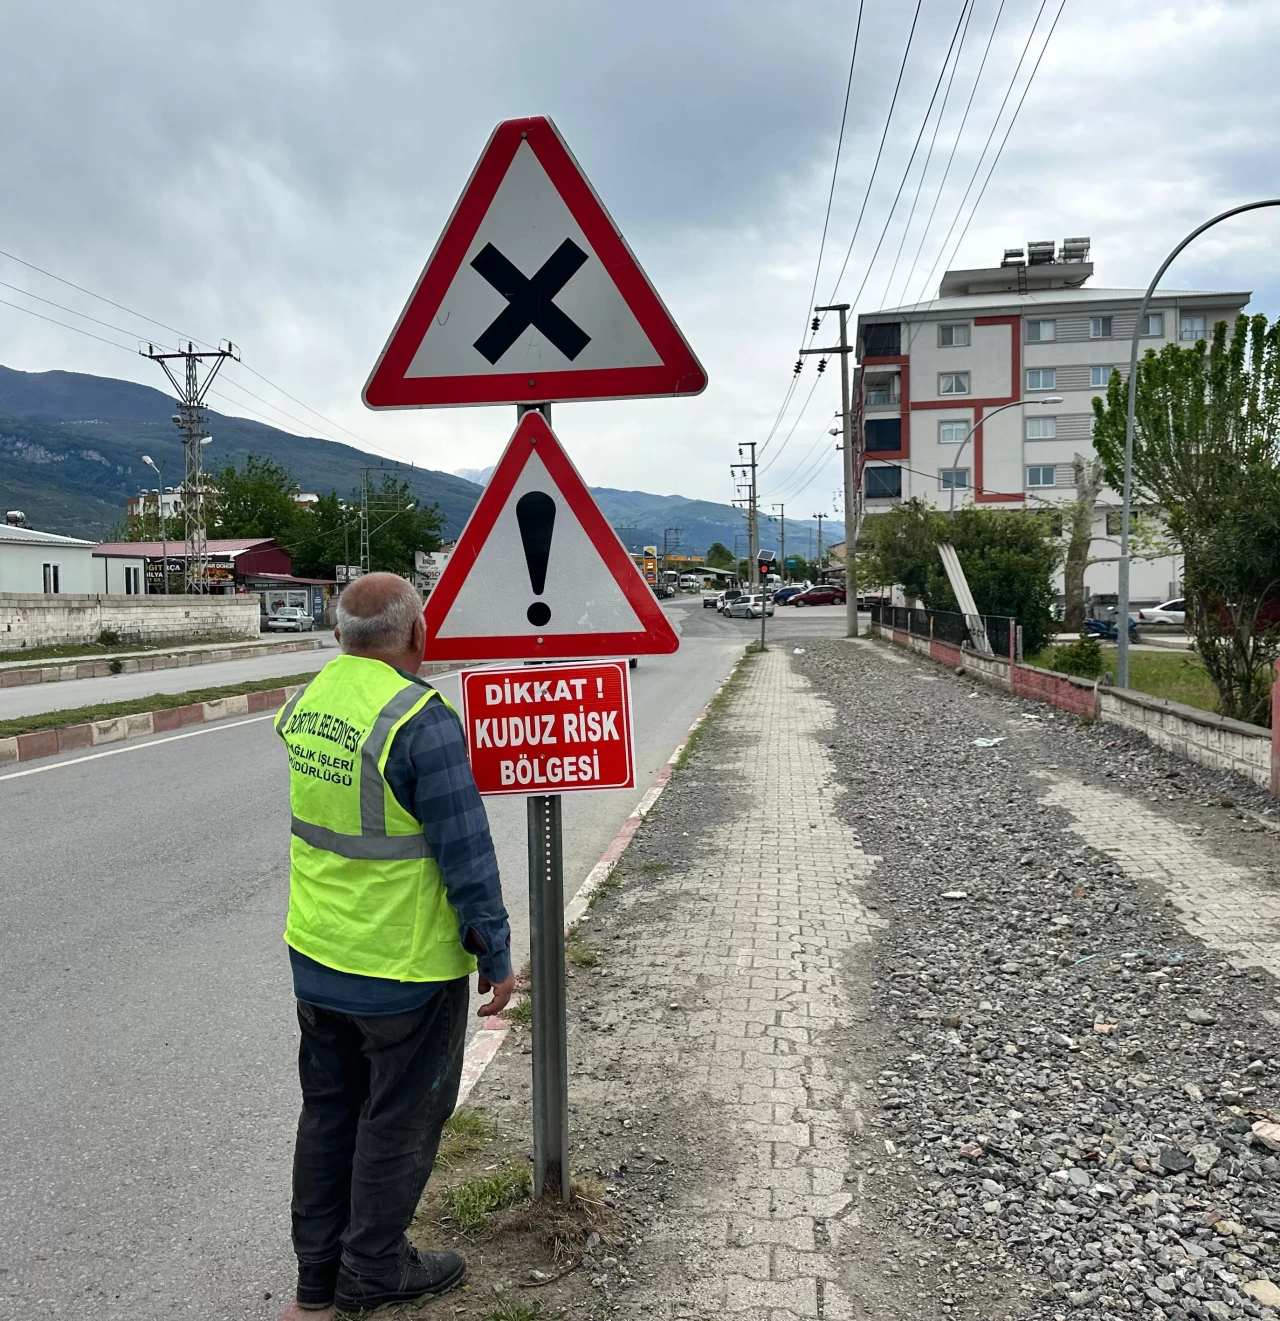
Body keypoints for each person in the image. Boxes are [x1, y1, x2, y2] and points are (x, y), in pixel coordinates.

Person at [273, 573, 514, 1319]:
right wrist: (496, 955)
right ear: (418, 634)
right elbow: (465, 851)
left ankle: (317, 1282)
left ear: (339, 634)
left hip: (317, 955)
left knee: (330, 1111)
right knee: (398, 1120)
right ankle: (374, 1269)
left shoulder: (308, 701)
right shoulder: (420, 717)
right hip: (403, 968)